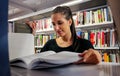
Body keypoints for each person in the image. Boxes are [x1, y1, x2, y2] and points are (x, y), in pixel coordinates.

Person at [27, 6, 102, 64]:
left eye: (60, 23)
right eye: (53, 24)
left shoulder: (85, 44)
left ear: (69, 22)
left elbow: (97, 62)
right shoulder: (49, 44)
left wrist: (98, 57)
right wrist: (31, 34)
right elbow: (35, 61)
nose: (56, 28)